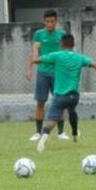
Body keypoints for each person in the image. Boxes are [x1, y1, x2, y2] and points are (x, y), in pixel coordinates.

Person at [31, 34, 96, 153]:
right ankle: (75, 134)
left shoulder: (57, 56)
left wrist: (35, 49)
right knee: (72, 111)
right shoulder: (79, 58)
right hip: (74, 96)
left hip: (60, 96)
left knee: (51, 120)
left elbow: (35, 60)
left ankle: (44, 136)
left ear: (61, 44)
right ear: (73, 45)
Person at [25, 10, 76, 142]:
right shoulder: (39, 34)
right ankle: (38, 132)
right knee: (40, 102)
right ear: (44, 22)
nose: (50, 24)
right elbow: (34, 52)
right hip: (42, 72)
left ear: (56, 21)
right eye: (47, 21)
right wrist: (29, 69)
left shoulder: (62, 35)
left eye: (52, 21)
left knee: (59, 101)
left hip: (58, 74)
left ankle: (61, 132)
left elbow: (67, 54)